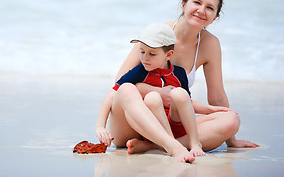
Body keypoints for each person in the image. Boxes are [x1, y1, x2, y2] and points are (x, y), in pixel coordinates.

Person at [113, 0, 259, 154]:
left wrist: (231, 140)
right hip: (136, 122)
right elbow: (121, 85)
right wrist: (157, 92)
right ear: (184, 4)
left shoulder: (210, 44)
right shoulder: (158, 32)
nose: (202, 10)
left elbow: (217, 96)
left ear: (215, 17)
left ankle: (156, 146)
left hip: (172, 122)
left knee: (231, 120)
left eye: (210, 8)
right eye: (197, 3)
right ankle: (168, 144)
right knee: (129, 90)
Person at [97, 23, 232, 159]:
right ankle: (172, 145)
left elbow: (187, 102)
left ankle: (166, 145)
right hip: (140, 127)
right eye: (142, 51)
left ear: (168, 55)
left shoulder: (178, 73)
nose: (144, 58)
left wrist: (211, 109)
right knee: (141, 93)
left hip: (171, 126)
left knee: (231, 119)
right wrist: (100, 126)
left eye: (152, 54)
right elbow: (112, 95)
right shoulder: (139, 71)